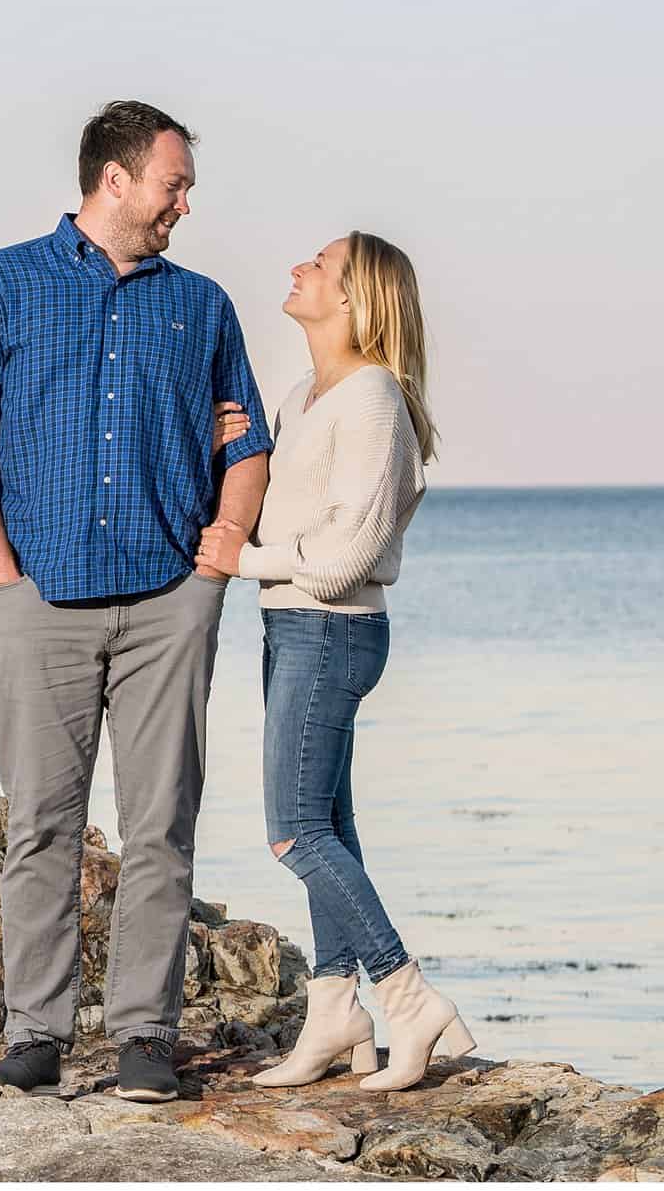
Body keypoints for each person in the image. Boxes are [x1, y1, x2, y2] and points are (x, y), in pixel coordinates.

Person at [0, 100, 273, 1103]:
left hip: (170, 601)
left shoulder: (200, 304)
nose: (184, 204)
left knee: (162, 822)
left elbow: (245, 440)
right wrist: (3, 578)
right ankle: (34, 1035)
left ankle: (142, 1038)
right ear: (114, 180)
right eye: (173, 183)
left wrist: (215, 562)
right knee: (41, 822)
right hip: (41, 596)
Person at [196, 232, 475, 1091]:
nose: (296, 269)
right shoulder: (303, 394)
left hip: (331, 629)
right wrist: (225, 448)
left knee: (294, 830)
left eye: (318, 265)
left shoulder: (373, 398)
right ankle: (332, 1012)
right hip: (295, 628)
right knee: (332, 828)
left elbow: (349, 548)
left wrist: (240, 560)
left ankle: (407, 994)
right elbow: (294, 513)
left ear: (354, 301)